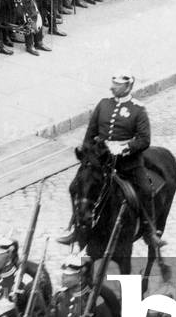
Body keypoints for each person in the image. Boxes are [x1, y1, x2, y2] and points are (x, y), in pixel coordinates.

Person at [61, 71, 163, 249]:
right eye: (113, 83)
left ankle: (149, 231)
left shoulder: (138, 110)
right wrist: (88, 154)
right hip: (101, 161)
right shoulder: (103, 104)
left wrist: (125, 148)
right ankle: (76, 227)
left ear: (128, 86)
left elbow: (144, 140)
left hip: (128, 164)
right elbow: (90, 133)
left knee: (146, 190)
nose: (112, 87)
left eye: (118, 85)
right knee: (75, 187)